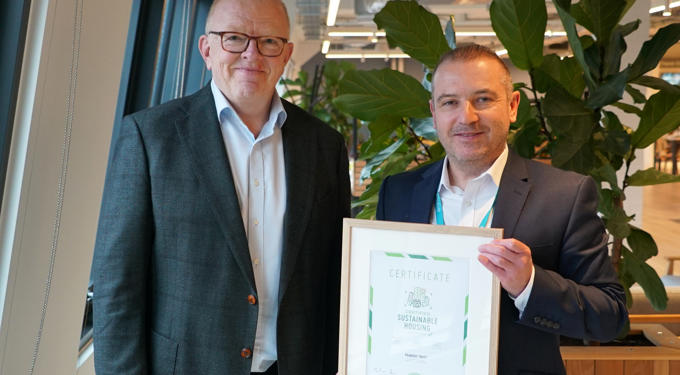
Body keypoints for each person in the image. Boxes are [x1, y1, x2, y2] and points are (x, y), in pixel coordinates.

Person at [92, 0, 350, 374]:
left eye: (269, 42)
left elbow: (332, 279)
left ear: (286, 54)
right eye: (234, 39)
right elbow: (117, 288)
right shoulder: (151, 138)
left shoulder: (324, 146)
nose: (251, 54)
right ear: (207, 49)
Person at [376, 44, 627, 375]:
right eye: (450, 102)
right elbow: (381, 299)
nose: (467, 117)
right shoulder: (398, 192)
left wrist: (529, 285)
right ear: (434, 114)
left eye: (483, 99)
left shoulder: (565, 195)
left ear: (512, 106)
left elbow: (610, 317)